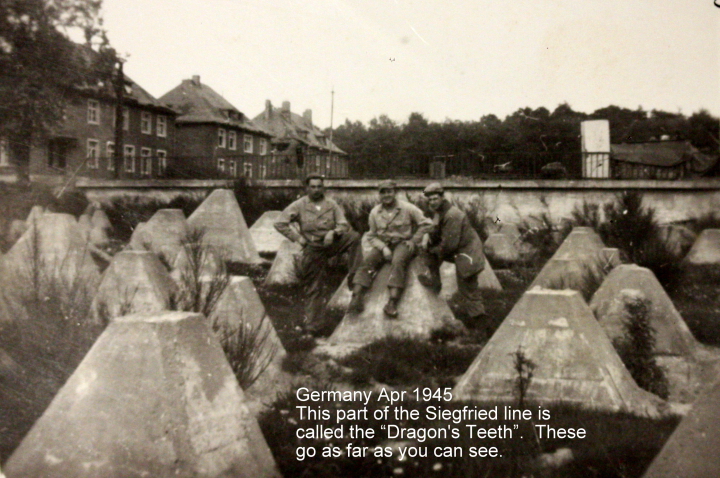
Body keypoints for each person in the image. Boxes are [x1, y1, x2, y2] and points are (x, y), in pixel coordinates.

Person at [274, 173, 360, 334]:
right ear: (307, 188)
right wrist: (298, 238)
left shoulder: (331, 204)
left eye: (319, 186)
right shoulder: (299, 205)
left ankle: (354, 275)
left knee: (354, 237)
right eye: (312, 186)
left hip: (331, 243)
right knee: (315, 287)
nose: (316, 190)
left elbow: (344, 224)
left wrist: (333, 232)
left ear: (323, 187)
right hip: (313, 247)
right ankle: (314, 326)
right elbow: (280, 223)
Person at [348, 180, 432, 317]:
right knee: (367, 262)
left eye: (389, 192)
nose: (386, 195)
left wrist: (413, 240)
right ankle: (356, 298)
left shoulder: (407, 208)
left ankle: (392, 302)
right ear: (379, 195)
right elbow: (372, 235)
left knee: (398, 262)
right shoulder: (375, 212)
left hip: (403, 243)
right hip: (383, 244)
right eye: (383, 192)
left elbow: (427, 224)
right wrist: (383, 248)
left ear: (395, 193)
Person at [418, 182, 486, 322]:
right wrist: (426, 237)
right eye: (430, 199)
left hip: (468, 254)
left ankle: (481, 324)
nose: (432, 202)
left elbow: (449, 245)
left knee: (468, 289)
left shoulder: (452, 215)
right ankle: (435, 282)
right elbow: (436, 229)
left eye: (435, 199)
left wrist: (433, 249)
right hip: (461, 250)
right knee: (428, 252)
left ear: (442, 198)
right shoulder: (440, 211)